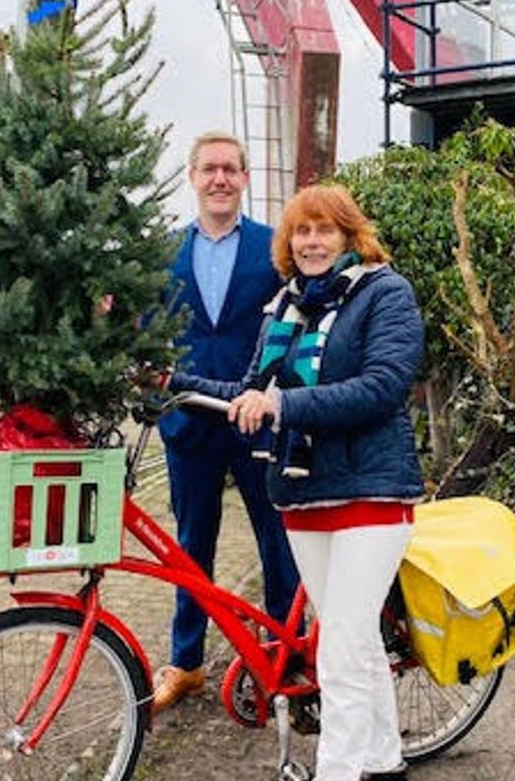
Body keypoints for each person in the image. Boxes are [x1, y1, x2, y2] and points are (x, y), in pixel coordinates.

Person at [171, 183, 425, 781]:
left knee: (338, 642)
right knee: (354, 639)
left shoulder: (384, 292)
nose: (312, 242)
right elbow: (252, 387)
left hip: (371, 492)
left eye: (324, 230)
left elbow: (382, 386)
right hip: (305, 494)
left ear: (348, 235)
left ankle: (336, 771)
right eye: (301, 232)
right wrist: (170, 382)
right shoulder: (286, 305)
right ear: (288, 242)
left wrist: (282, 406)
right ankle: (385, 762)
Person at [154, 130, 301, 712]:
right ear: (192, 178)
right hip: (189, 420)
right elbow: (147, 327)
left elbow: (295, 320)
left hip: (255, 418)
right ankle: (186, 661)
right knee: (192, 546)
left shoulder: (273, 248)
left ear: (244, 179)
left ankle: (280, 655)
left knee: (276, 540)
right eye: (209, 168)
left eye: (230, 170)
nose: (219, 179)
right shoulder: (163, 251)